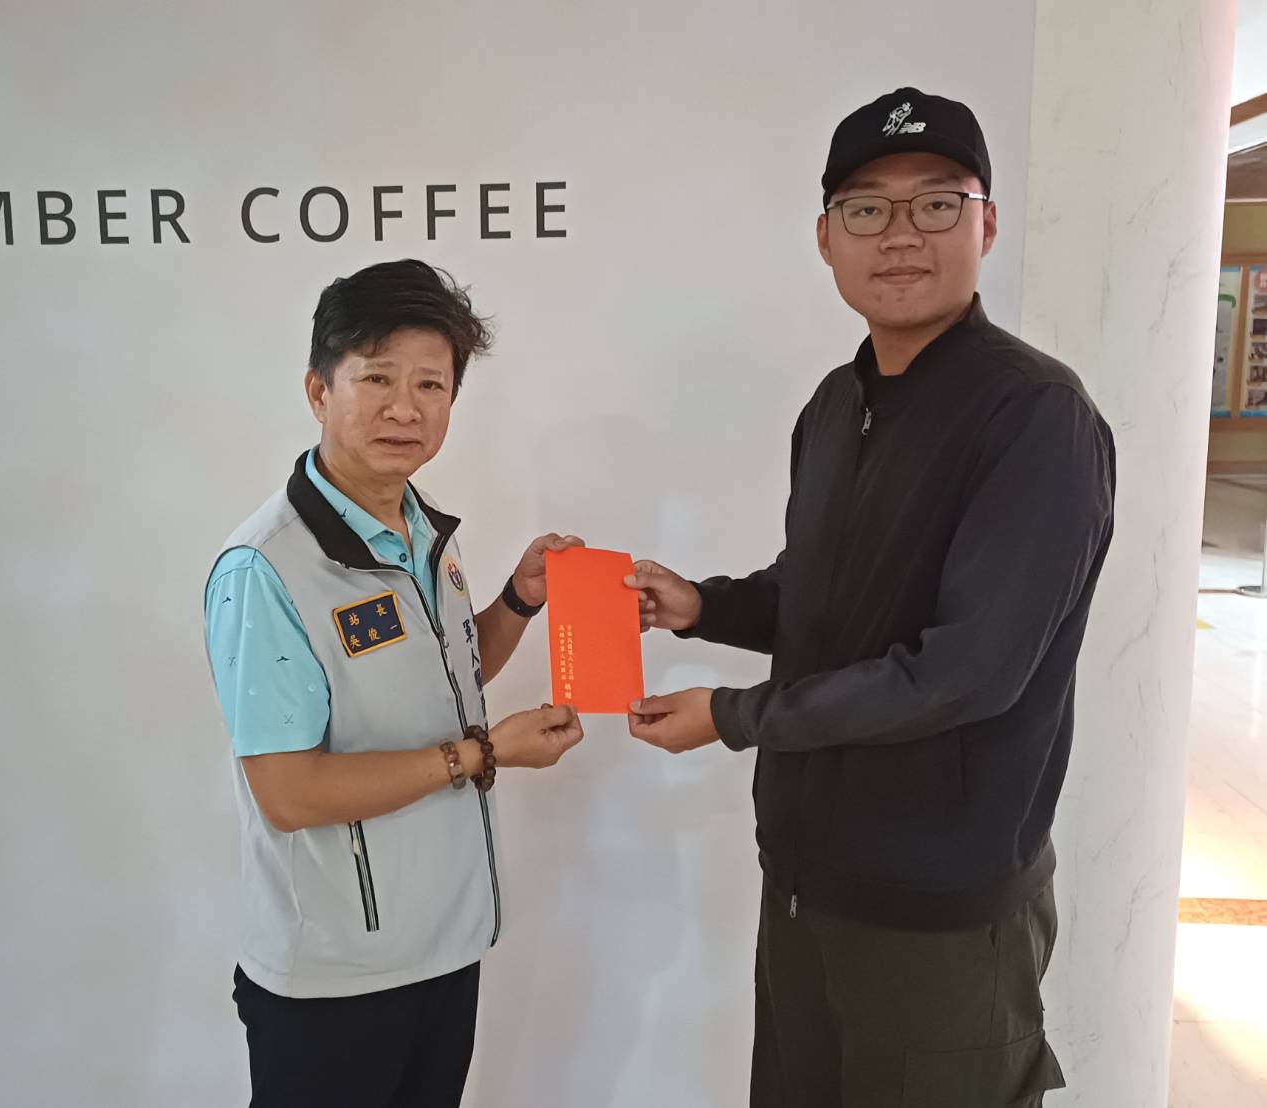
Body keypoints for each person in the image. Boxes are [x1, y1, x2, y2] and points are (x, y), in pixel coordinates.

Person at [625, 88, 1115, 1107]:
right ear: (825, 238)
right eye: (865, 208)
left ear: (985, 224)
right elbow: (820, 596)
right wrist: (700, 606)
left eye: (934, 203)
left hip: (938, 913)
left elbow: (965, 674)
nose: (898, 235)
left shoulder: (1035, 416)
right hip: (804, 885)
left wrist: (731, 716)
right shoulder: (835, 403)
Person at [204, 258, 584, 1108]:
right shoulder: (267, 568)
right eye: (376, 378)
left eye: (429, 385)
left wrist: (519, 601)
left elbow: (445, 679)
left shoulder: (422, 531)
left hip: (445, 947)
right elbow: (288, 792)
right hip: (336, 977)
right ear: (318, 390)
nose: (404, 408)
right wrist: (484, 754)